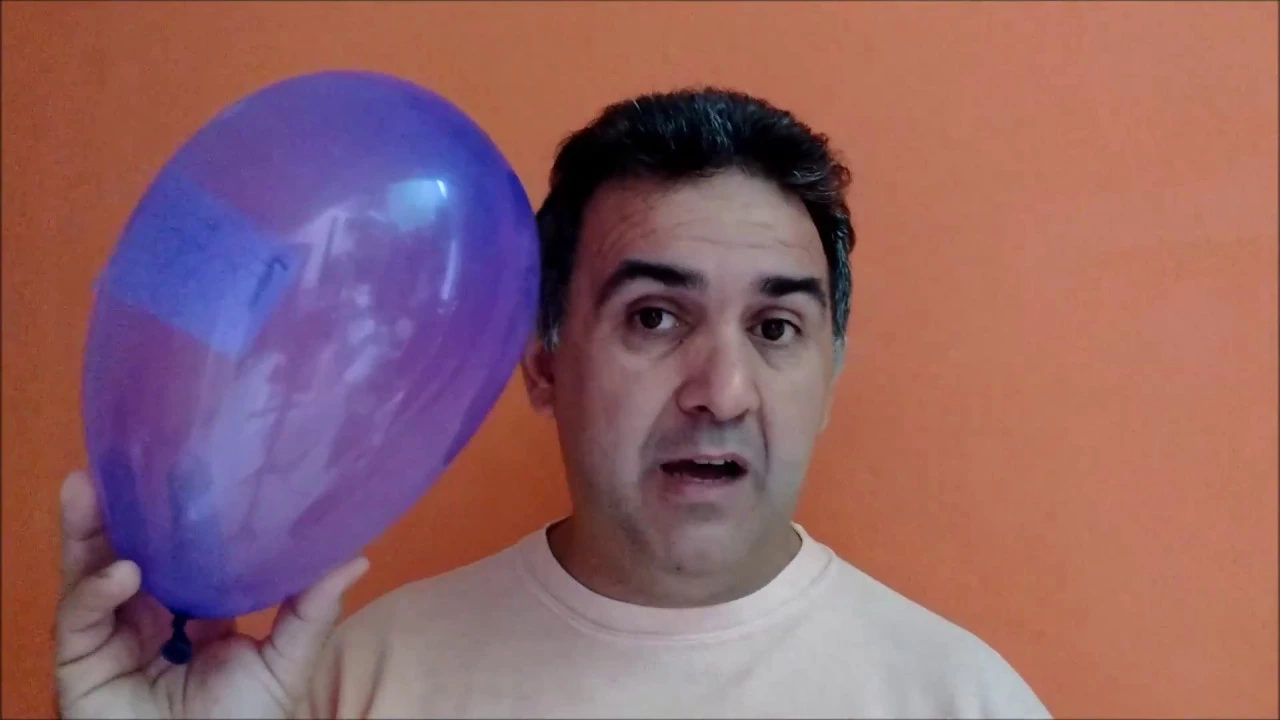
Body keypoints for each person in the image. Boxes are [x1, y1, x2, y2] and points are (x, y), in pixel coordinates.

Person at [54, 88, 1051, 719]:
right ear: (542, 360)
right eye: (654, 317)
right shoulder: (348, 682)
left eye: (776, 328)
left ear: (829, 375)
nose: (721, 391)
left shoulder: (960, 699)